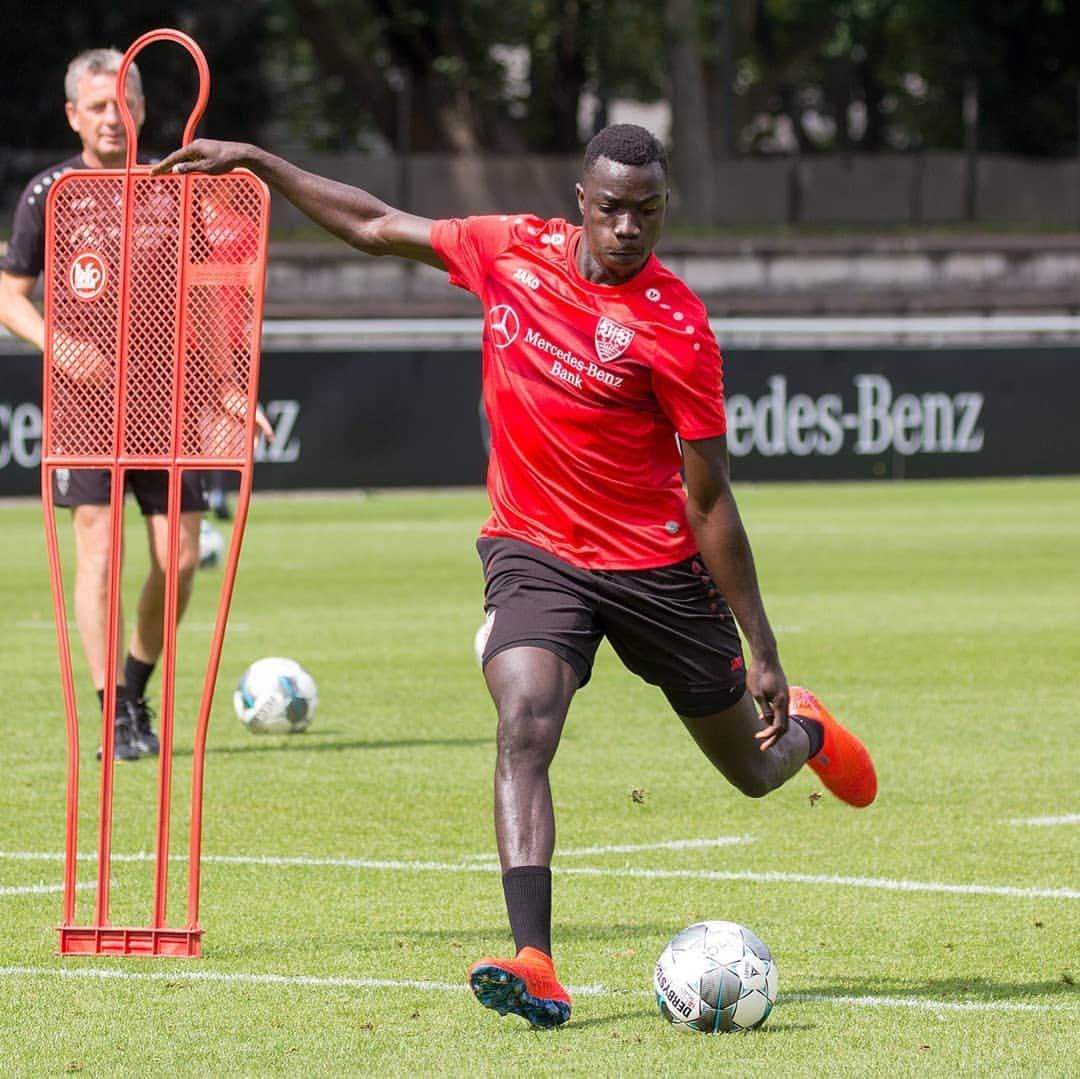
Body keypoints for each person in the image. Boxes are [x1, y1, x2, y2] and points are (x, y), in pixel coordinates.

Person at [154, 122, 877, 1028]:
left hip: (655, 569)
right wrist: (260, 164)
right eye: (611, 208)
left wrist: (762, 649)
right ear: (580, 200)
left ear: (663, 213)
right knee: (524, 721)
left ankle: (808, 727)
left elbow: (710, 500)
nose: (627, 229)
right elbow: (375, 225)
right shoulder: (508, 252)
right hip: (535, 551)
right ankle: (534, 956)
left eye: (645, 213)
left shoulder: (679, 328)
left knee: (754, 771)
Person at [0, 49, 268, 761]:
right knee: (98, 550)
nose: (110, 119)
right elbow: (8, 295)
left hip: (168, 399)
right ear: (72, 116)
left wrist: (232, 386)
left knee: (178, 558)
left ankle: (135, 686)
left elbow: (206, 299)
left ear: (142, 110)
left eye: (121, 104)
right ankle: (113, 712)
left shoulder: (170, 188)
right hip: (84, 405)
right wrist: (57, 346)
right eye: (95, 107)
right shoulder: (49, 192)